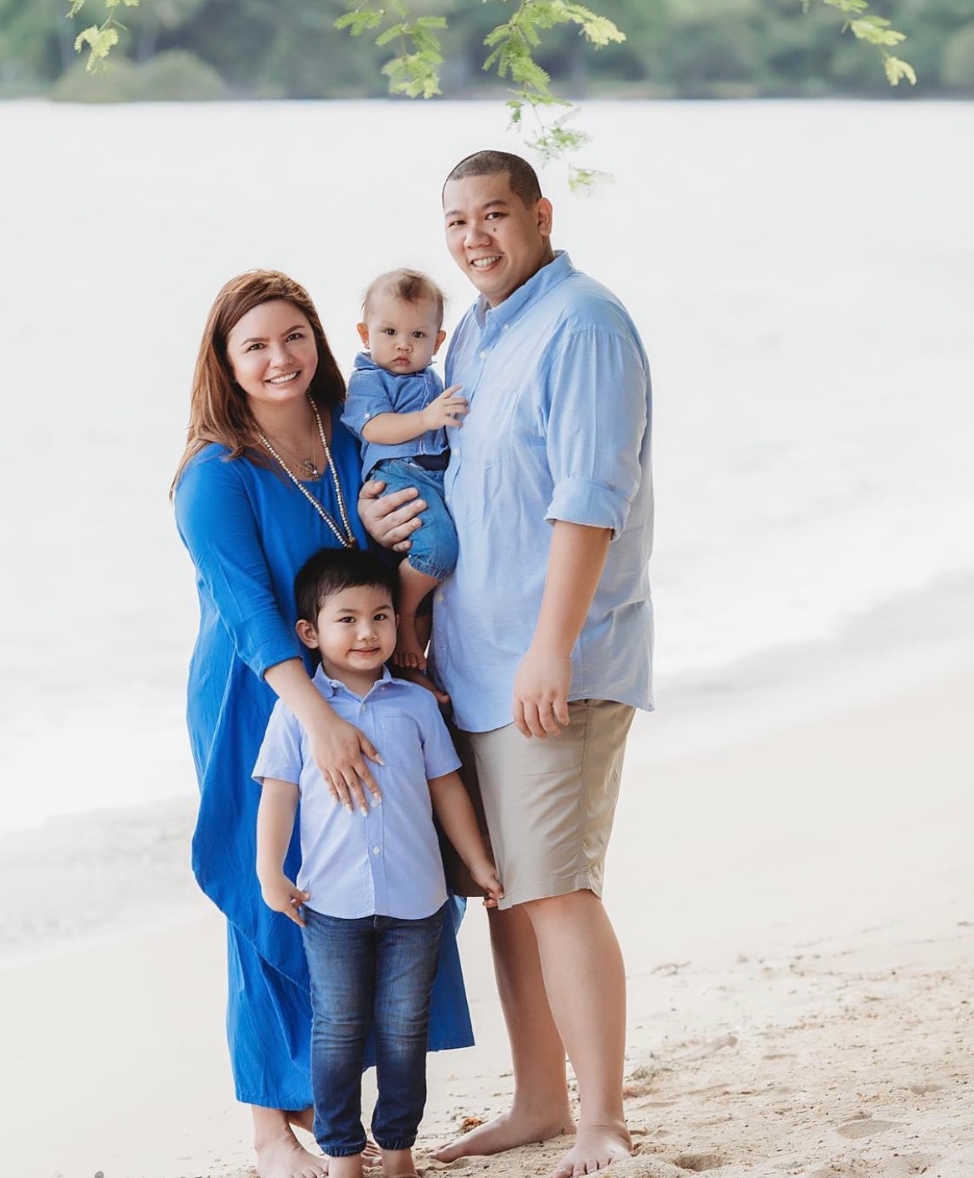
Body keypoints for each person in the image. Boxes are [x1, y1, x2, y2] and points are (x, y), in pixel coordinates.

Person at [359, 150, 654, 1178]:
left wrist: (547, 647)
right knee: (509, 892)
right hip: (476, 663)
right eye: (455, 221)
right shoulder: (478, 331)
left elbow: (589, 498)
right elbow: (462, 487)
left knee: (556, 887)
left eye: (493, 214)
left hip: (552, 663)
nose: (473, 235)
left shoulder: (581, 323)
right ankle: (537, 1099)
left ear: (538, 212)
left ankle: (601, 1120)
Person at [171, 270, 475, 1178]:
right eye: (254, 345)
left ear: (321, 339)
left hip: (366, 682)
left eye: (292, 336)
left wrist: (398, 565)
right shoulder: (213, 474)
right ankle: (271, 1129)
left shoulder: (347, 433)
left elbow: (378, 548)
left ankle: (351, 1106)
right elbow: (253, 613)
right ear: (225, 363)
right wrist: (317, 725)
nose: (278, 358)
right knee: (270, 893)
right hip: (259, 697)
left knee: (379, 877)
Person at [254, 547, 503, 1178]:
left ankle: (398, 1152)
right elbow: (277, 795)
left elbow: (447, 787)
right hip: (330, 904)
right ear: (310, 632)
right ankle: (342, 1154)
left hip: (417, 902)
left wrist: (477, 863)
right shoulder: (299, 713)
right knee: (336, 1029)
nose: (368, 632)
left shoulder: (416, 706)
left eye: (382, 616)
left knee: (403, 1030)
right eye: (348, 619)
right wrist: (269, 873)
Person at [342, 269, 468, 670]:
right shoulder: (368, 379)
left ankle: (417, 644)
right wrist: (427, 419)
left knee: (441, 557)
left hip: (429, 476)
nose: (402, 345)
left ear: (437, 341)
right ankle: (403, 614)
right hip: (396, 473)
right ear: (365, 334)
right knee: (441, 549)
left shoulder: (429, 378)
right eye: (389, 332)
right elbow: (375, 427)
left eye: (417, 336)